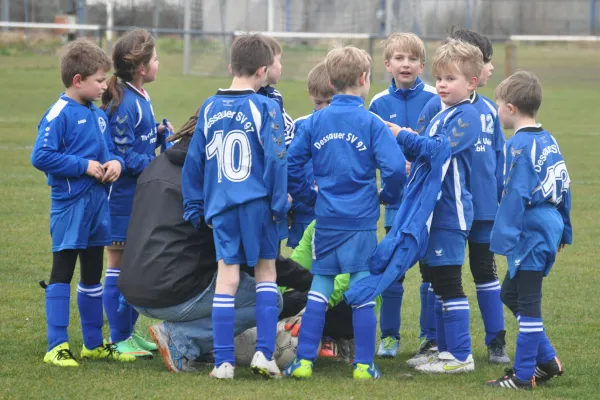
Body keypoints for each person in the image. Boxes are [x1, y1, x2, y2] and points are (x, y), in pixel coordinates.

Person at [117, 110, 313, 372]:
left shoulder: (158, 163)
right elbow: (246, 251)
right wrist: (312, 283)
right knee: (266, 299)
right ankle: (182, 339)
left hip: (132, 285)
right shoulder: (214, 177)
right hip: (170, 289)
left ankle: (194, 337)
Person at [284, 45, 406, 380]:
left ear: (332, 81)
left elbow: (292, 162)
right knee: (363, 290)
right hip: (361, 223)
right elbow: (395, 167)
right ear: (364, 79)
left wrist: (307, 194)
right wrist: (387, 195)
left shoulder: (315, 121)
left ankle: (304, 362)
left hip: (326, 221)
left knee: (319, 288)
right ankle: (364, 365)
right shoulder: (371, 122)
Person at [182, 33, 289, 380]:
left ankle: (224, 363)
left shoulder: (209, 106)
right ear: (263, 71)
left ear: (230, 67)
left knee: (226, 279)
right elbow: (276, 161)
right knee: (266, 273)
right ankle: (264, 355)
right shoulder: (267, 107)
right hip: (258, 206)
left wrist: (194, 205)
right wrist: (279, 205)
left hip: (222, 207)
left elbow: (193, 162)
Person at [31, 38, 133, 367]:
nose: (106, 86)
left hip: (97, 206)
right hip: (70, 206)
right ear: (78, 81)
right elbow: (41, 156)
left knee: (93, 272)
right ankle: (56, 345)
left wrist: (114, 163)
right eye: (100, 81)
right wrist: (82, 166)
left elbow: (106, 153)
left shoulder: (98, 115)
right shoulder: (59, 113)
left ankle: (92, 342)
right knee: (63, 270)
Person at [415, 28, 509, 365]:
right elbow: (424, 149)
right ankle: (434, 342)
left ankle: (496, 342)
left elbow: (499, 156)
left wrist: (502, 199)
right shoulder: (435, 105)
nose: (488, 69)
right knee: (435, 275)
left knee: (485, 271)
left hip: (483, 209)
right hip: (447, 209)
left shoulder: (486, 110)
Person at [393, 39, 482, 374]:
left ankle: (461, 356)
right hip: (429, 215)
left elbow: (436, 151)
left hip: (449, 214)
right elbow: (423, 155)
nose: (442, 85)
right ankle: (443, 351)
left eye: (451, 79)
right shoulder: (439, 114)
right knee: (432, 279)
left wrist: (400, 133)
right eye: (440, 78)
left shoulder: (468, 116)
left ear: (471, 83)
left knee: (448, 281)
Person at [486, 71, 570, 389]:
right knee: (510, 293)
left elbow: (515, 194)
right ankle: (546, 359)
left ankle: (523, 376)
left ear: (510, 108)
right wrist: (567, 227)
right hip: (549, 224)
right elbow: (565, 182)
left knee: (529, 303)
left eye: (497, 106)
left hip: (532, 231)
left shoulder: (517, 147)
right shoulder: (548, 138)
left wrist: (502, 237)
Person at [100, 28, 172, 358]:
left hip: (137, 196)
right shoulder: (126, 103)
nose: (159, 63)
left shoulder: (139, 96)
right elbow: (121, 155)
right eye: (155, 58)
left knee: (132, 266)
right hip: (121, 199)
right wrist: (156, 163)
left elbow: (137, 142)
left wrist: (158, 134)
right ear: (141, 68)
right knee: (118, 266)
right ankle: (118, 339)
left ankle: (128, 332)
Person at [368, 32, 437, 359]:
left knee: (431, 271)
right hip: (396, 201)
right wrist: (396, 166)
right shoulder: (379, 103)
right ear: (387, 64)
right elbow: (372, 150)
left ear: (422, 65)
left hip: (433, 203)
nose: (405, 64)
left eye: (412, 59)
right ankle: (390, 337)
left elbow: (443, 148)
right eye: (399, 58)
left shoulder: (437, 99)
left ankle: (430, 337)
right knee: (393, 270)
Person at [288, 61, 335, 249]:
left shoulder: (350, 124)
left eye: (330, 102)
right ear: (310, 94)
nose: (323, 108)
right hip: (304, 212)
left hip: (335, 212)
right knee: (302, 270)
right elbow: (290, 166)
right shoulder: (300, 125)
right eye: (318, 102)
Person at [257, 36, 295, 246]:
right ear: (266, 67)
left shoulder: (275, 97)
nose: (281, 66)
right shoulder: (266, 101)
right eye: (279, 61)